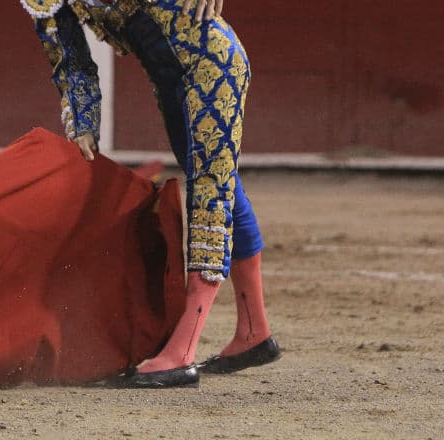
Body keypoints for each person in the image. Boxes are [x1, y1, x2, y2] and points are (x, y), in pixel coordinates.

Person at [21, 0, 281, 387]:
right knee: (220, 186)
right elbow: (70, 57)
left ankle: (183, 351)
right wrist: (83, 121)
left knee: (210, 193)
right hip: (172, 79)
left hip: (214, 66)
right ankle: (253, 331)